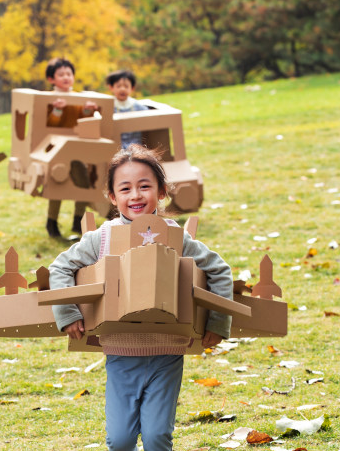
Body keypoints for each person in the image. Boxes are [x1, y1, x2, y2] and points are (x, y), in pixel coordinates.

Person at [48, 144, 233, 451]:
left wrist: (218, 321)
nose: (135, 195)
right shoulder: (101, 238)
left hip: (167, 352)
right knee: (119, 441)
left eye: (144, 186)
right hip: (121, 352)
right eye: (125, 188)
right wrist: (69, 314)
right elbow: (60, 267)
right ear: (112, 197)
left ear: (161, 192)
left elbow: (219, 270)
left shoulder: (177, 236)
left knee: (158, 437)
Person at [44, 57, 97, 238]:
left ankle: (78, 220)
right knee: (57, 185)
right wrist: (57, 110)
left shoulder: (79, 97)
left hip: (77, 149)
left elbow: (83, 120)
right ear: (52, 79)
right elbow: (49, 124)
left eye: (69, 74)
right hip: (56, 149)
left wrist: (89, 110)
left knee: (83, 182)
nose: (66, 77)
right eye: (61, 74)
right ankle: (51, 222)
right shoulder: (49, 99)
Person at [106, 69, 148, 148]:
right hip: (116, 147)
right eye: (118, 86)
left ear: (132, 88)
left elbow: (150, 117)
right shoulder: (109, 107)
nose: (122, 89)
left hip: (136, 147)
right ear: (111, 87)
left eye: (126, 86)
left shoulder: (138, 106)